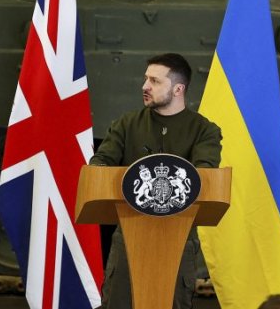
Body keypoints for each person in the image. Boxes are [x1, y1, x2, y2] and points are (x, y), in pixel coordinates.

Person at [89, 53, 222, 309]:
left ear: (178, 89)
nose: (145, 86)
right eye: (145, 79)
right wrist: (99, 171)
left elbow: (205, 174)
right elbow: (101, 163)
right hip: (128, 239)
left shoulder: (204, 131)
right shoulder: (127, 124)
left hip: (178, 240)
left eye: (155, 81)